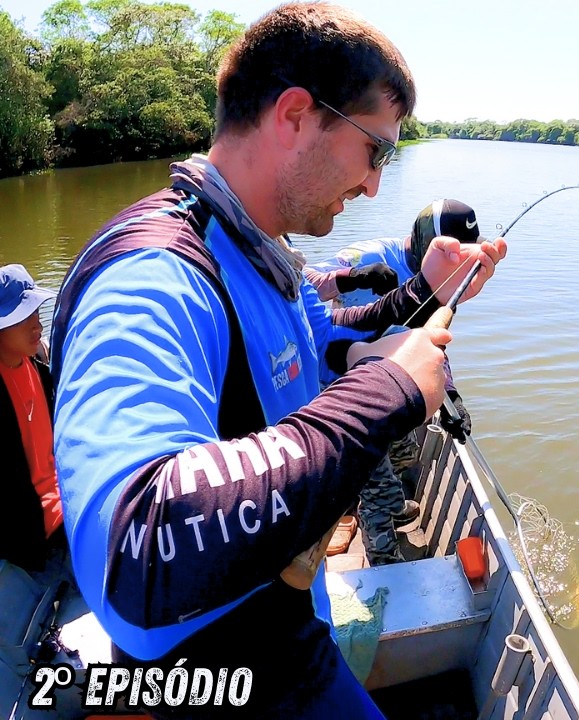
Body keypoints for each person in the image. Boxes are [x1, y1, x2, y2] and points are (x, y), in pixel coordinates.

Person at [49, 3, 505, 717]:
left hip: (286, 618)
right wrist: (386, 391)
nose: (374, 185)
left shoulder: (263, 252)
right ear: (295, 115)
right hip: (214, 665)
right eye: (375, 151)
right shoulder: (152, 277)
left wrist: (427, 291)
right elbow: (135, 550)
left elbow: (330, 343)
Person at [306, 200, 482, 565]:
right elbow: (299, 284)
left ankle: (387, 505)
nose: (456, 266)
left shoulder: (445, 279)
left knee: (406, 452)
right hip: (337, 383)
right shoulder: (371, 256)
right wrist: (353, 276)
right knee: (378, 484)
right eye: (452, 256)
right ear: (427, 243)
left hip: (389, 382)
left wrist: (451, 396)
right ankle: (383, 557)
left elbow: (429, 340)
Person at [0, 265, 65, 578]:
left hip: (67, 505)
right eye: (22, 317)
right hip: (30, 535)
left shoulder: (40, 362)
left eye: (36, 312)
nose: (37, 324)